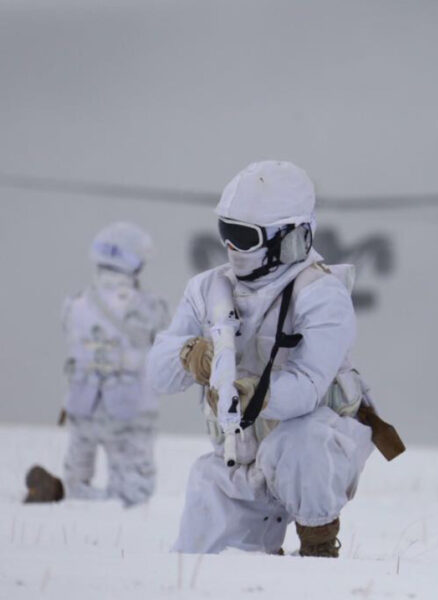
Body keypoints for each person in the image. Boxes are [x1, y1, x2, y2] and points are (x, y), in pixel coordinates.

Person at [146, 160, 402, 557]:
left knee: (301, 441)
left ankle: (318, 543)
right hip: (236, 457)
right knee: (198, 567)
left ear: (289, 237)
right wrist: (191, 357)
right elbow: (156, 374)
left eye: (244, 237)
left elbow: (308, 387)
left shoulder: (320, 294)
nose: (231, 248)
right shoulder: (208, 289)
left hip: (314, 452)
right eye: (226, 232)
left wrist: (253, 396)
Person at [25, 222, 169, 507]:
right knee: (134, 492)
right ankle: (104, 508)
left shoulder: (77, 302)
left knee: (77, 479)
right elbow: (165, 336)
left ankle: (65, 497)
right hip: (129, 408)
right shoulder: (146, 305)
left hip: (81, 402)